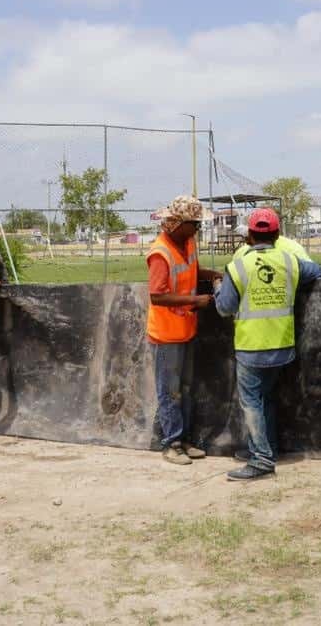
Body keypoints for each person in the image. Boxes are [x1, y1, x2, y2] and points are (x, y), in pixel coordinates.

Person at [216, 208, 321, 481]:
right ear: (276, 235)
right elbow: (317, 271)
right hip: (282, 345)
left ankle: (262, 459)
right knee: (265, 397)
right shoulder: (290, 261)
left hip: (251, 346)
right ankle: (267, 448)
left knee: (251, 402)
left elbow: (224, 308)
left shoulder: (238, 265)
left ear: (250, 236)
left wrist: (218, 286)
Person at [147, 195, 221, 465]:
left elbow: (192, 269)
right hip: (167, 335)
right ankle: (172, 444)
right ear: (179, 224)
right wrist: (195, 300)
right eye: (196, 224)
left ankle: (184, 439)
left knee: (186, 389)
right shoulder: (160, 253)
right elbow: (157, 296)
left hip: (185, 328)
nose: (199, 229)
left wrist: (212, 274)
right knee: (171, 392)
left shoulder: (187, 242)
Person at [232, 219, 312, 262]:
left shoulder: (240, 254)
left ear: (249, 234)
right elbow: (315, 272)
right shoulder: (294, 248)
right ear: (277, 233)